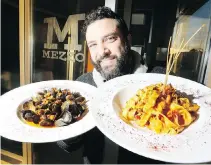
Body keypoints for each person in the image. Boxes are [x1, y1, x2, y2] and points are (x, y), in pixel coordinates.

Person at [57, 6, 167, 164]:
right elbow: (66, 145)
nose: (102, 51)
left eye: (110, 39)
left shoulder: (161, 81)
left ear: (128, 40)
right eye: (93, 44)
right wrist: (73, 128)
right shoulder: (83, 85)